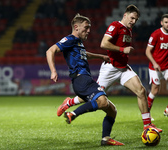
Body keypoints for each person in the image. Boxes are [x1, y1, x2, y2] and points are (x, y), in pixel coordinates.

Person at [57, 5, 163, 133]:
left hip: (123, 68)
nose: (133, 22)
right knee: (93, 96)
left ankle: (147, 125)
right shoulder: (115, 26)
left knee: (141, 91)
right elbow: (104, 43)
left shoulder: (128, 30)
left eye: (136, 20)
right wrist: (123, 49)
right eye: (132, 18)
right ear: (125, 15)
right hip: (110, 68)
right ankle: (69, 103)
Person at [46, 13, 125, 146]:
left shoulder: (77, 42)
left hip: (84, 80)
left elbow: (85, 54)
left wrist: (101, 57)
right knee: (103, 102)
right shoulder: (70, 39)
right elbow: (50, 51)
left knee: (112, 110)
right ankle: (73, 113)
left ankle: (106, 139)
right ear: (76, 27)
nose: (88, 31)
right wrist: (53, 71)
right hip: (81, 80)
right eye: (86, 27)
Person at [145, 14, 168, 120]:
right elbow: (147, 51)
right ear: (162, 23)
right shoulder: (156, 34)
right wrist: (155, 63)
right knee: (155, 90)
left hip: (167, 67)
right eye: (166, 22)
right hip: (154, 67)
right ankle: (147, 114)